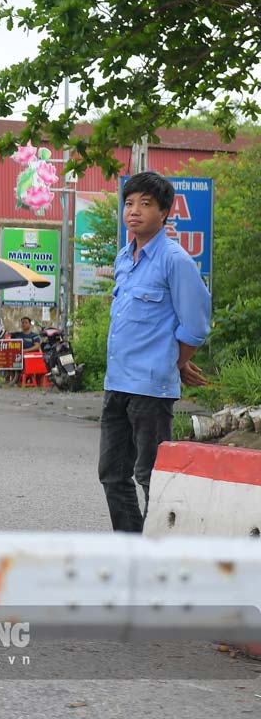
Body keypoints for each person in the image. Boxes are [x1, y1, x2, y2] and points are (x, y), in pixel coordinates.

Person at [100, 171, 210, 533]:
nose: (134, 211)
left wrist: (174, 362)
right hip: (116, 384)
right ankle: (131, 546)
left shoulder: (175, 260)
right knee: (112, 474)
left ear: (164, 213)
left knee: (152, 477)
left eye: (145, 204)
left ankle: (159, 552)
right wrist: (176, 360)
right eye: (129, 203)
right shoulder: (124, 258)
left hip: (150, 390)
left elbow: (195, 325)